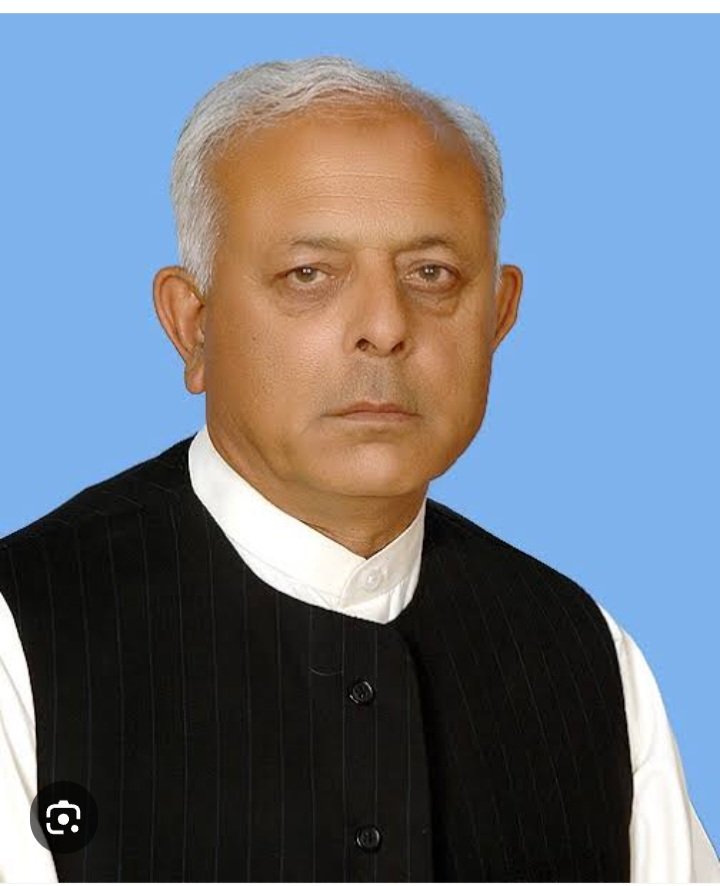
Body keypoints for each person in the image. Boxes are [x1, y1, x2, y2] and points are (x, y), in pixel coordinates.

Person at [0, 55, 717, 883]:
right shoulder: (25, 634)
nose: (384, 326)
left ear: (499, 315)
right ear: (193, 324)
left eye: (431, 275)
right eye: (309, 274)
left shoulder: (583, 652)